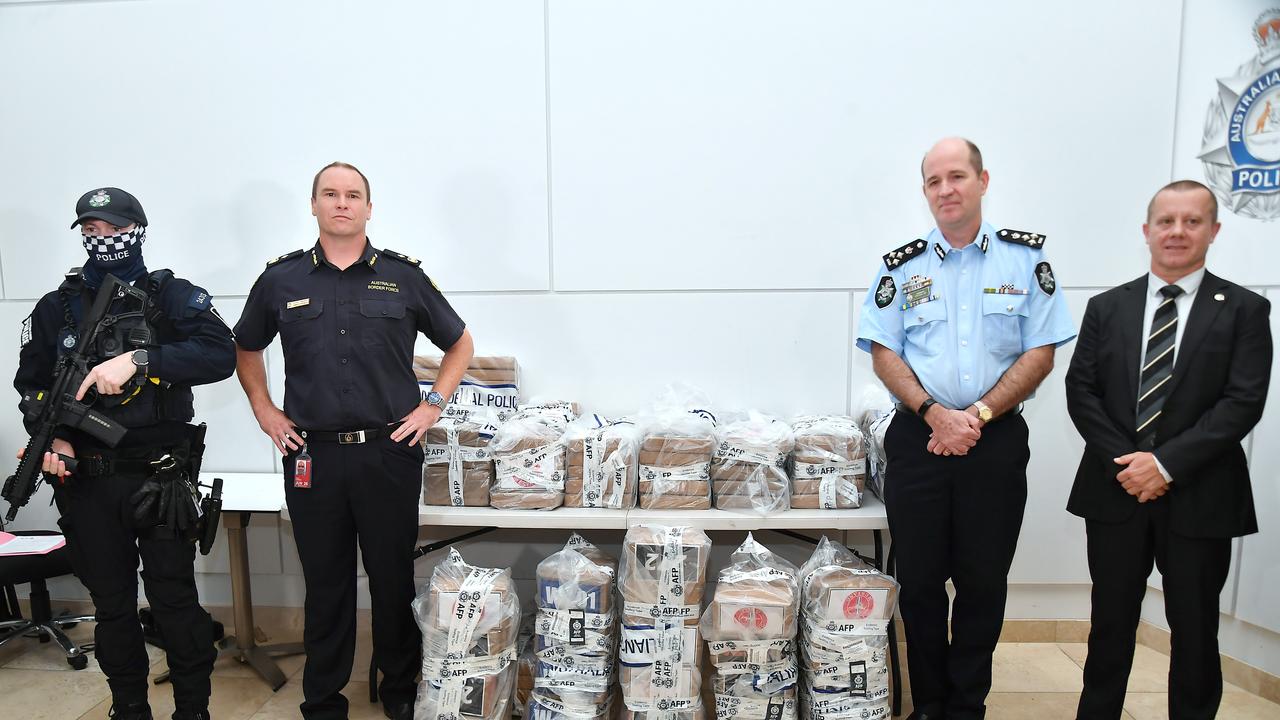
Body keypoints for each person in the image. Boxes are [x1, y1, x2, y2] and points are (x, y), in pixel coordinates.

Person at [233, 162, 475, 720]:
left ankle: (398, 695)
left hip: (387, 451)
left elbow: (460, 344)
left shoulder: (404, 277)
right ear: (313, 205)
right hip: (311, 455)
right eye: (330, 194)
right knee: (326, 583)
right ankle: (322, 701)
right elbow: (245, 348)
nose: (342, 203)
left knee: (392, 580)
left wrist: (431, 406)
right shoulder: (281, 280)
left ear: (369, 208)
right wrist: (266, 410)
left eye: (353, 195)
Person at [856, 138, 1075, 719]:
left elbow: (1041, 351)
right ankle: (930, 704)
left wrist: (975, 417)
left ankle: (966, 705)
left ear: (982, 180)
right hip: (918, 439)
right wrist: (934, 413)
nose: (946, 189)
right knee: (921, 584)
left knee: (983, 582)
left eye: (957, 176)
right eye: (934, 181)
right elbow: (883, 351)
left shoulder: (1025, 261)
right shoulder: (900, 267)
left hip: (994, 442)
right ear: (925, 191)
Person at [14, 187, 236, 720]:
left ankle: (192, 710)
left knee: (173, 601)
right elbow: (32, 386)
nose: (103, 241)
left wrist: (140, 359)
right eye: (91, 232)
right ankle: (129, 707)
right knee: (111, 607)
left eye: (113, 231)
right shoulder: (57, 306)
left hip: (159, 477)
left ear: (137, 230)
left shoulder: (172, 296)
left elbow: (219, 353)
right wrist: (56, 438)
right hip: (87, 479)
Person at [1065, 180, 1272, 720]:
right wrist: (1131, 465)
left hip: (1201, 494)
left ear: (1214, 231)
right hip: (1116, 491)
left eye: (1192, 221)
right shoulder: (1107, 307)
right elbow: (1081, 393)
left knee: (1195, 627)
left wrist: (1165, 464)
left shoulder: (1245, 309)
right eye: (1166, 221)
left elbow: (1242, 402)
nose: (1178, 231)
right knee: (1110, 622)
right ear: (1147, 230)